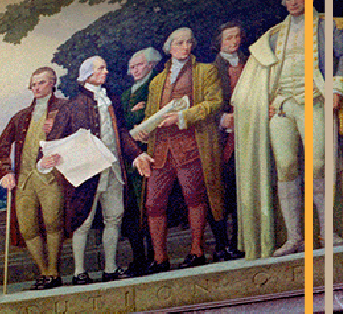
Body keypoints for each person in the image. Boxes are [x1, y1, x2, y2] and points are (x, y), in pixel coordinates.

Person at [232, 0, 339, 257]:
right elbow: (259, 73)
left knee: (318, 165)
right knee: (286, 166)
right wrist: (264, 99)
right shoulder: (276, 34)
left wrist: (336, 89)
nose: (293, 1)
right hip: (281, 106)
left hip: (315, 101)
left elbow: (341, 57)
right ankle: (294, 238)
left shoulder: (328, 26)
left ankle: (327, 232)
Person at [130, 27, 224, 271]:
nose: (185, 47)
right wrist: (145, 128)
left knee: (194, 197)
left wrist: (182, 116)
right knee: (153, 204)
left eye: (188, 42)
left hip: (190, 146)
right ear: (169, 47)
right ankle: (160, 258)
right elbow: (152, 115)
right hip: (160, 150)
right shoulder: (157, 80)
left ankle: (197, 251)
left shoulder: (205, 71)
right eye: (179, 43)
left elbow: (214, 103)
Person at [43, 56, 142, 282]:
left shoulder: (113, 100)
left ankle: (110, 268)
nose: (105, 72)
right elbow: (54, 139)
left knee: (114, 217)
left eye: (105, 68)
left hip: (114, 169)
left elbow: (123, 133)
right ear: (88, 73)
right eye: (101, 68)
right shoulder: (72, 105)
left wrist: (137, 154)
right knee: (83, 222)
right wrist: (48, 159)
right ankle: (79, 272)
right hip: (87, 173)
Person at [0, 67, 69, 289]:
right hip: (25, 180)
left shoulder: (65, 108)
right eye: (33, 84)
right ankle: (44, 271)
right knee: (27, 228)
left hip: (52, 177)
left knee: (54, 222)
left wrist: (58, 133)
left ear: (52, 83)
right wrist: (5, 172)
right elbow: (1, 147)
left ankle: (53, 271)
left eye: (42, 83)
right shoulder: (21, 116)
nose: (36, 88)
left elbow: (79, 138)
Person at [118, 47, 164, 274]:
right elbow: (122, 123)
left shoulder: (156, 85)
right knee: (133, 208)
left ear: (151, 65)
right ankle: (139, 257)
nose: (135, 70)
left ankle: (156, 256)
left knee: (151, 205)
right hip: (130, 156)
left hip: (152, 152)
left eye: (139, 65)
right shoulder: (126, 95)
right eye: (132, 66)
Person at [212, 21, 248, 262]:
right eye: (228, 38)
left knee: (246, 190)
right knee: (224, 191)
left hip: (250, 132)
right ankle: (223, 244)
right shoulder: (211, 68)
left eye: (236, 37)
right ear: (220, 42)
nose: (233, 42)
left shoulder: (250, 63)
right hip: (223, 138)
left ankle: (242, 241)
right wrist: (221, 117)